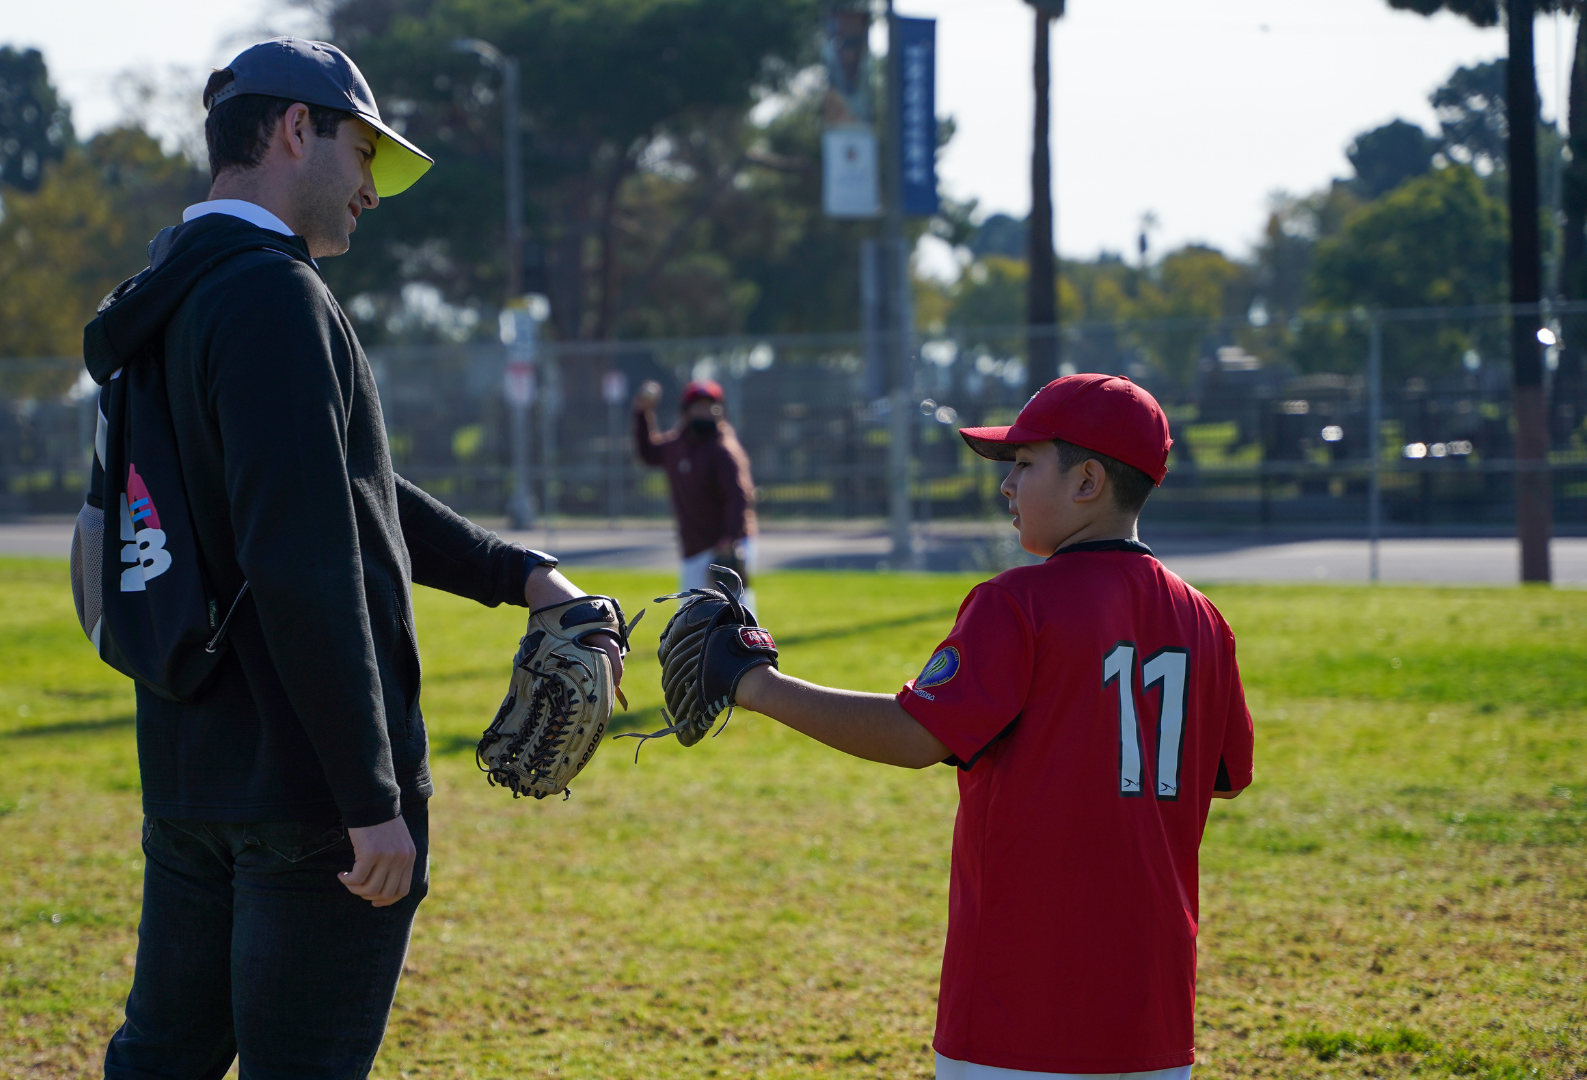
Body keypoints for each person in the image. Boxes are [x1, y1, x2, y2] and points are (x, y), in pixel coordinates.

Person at [84, 39, 624, 1079]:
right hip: (308, 800)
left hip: (192, 774)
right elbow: (303, 557)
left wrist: (518, 572)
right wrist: (369, 801)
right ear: (297, 130)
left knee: (160, 1061)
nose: (374, 190)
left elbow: (340, 490)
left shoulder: (169, 291)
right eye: (365, 153)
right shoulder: (275, 297)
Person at [725, 374, 1254, 1079]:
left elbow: (915, 735)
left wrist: (755, 686)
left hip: (1017, 1010)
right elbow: (1223, 777)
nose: (1007, 485)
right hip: (1151, 1012)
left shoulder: (1017, 603)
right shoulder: (1205, 621)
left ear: (1088, 481)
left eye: (1025, 463)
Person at [632, 378, 758, 598]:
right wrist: (643, 413)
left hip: (725, 545)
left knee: (737, 616)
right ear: (686, 411)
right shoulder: (677, 445)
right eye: (699, 407)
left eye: (711, 407)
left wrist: (730, 537)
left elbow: (739, 496)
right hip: (695, 547)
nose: (705, 412)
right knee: (692, 619)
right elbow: (648, 453)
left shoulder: (724, 449)